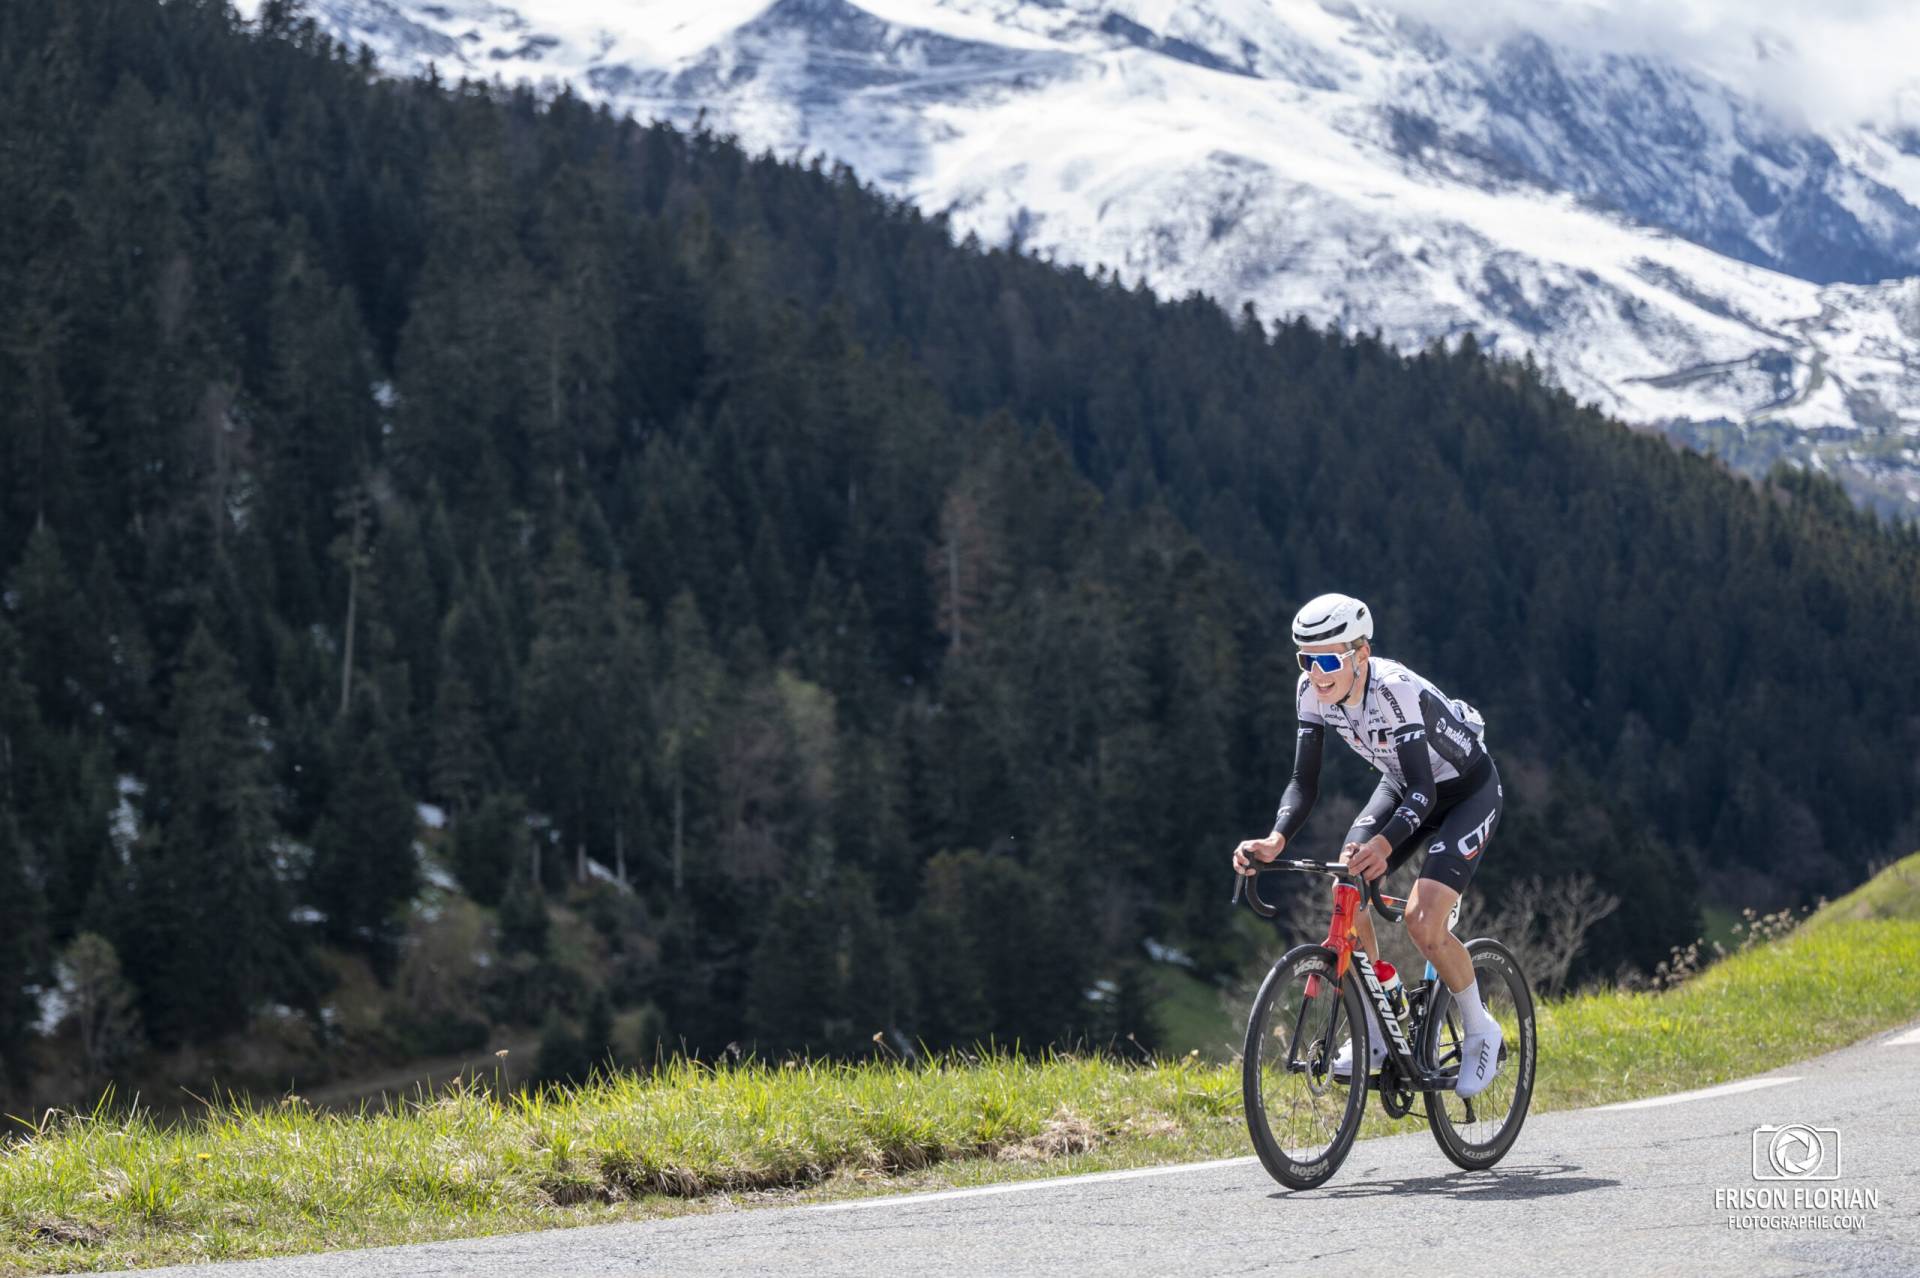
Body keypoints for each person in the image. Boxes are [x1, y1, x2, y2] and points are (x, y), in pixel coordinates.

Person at [1231, 592, 1506, 1098]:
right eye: (1306, 659)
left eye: (1329, 659)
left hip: (1464, 792)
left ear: (1361, 653)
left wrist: (1384, 843)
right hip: (1405, 786)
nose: (1317, 672)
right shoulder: (1310, 691)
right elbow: (1303, 782)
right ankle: (1382, 1019)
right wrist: (1275, 838)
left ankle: (1480, 1026)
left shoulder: (1393, 689)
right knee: (1346, 882)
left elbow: (1427, 789)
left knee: (1422, 922)